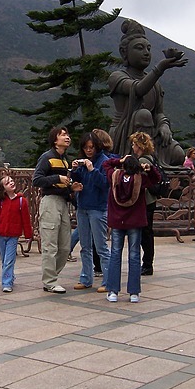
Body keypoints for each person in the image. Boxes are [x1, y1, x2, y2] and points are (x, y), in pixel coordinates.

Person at [108, 19, 187, 167]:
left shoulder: (154, 83)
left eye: (148, 49)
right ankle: (141, 158)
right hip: (126, 134)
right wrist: (160, 68)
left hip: (152, 133)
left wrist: (164, 125)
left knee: (178, 155)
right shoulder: (117, 77)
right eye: (139, 48)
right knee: (142, 114)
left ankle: (153, 161)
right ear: (124, 52)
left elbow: (159, 112)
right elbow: (138, 90)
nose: (146, 53)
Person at [103, 154, 160, 303]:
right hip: (134, 221)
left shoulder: (114, 176)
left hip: (117, 221)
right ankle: (134, 293)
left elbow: (106, 165)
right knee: (134, 255)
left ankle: (113, 291)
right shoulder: (140, 179)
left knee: (115, 254)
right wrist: (150, 169)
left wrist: (118, 160)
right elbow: (156, 179)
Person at [32, 125, 81, 294]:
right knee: (50, 245)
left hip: (62, 202)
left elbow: (63, 185)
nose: (67, 137)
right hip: (50, 202)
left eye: (67, 134)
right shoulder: (47, 157)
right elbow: (36, 180)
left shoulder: (65, 160)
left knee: (65, 246)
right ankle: (50, 281)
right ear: (55, 140)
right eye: (63, 135)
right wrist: (57, 178)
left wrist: (71, 189)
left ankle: (52, 276)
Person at [70, 132, 110, 292]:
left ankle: (108, 281)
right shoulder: (83, 163)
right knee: (85, 246)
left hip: (98, 209)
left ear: (97, 146)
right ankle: (86, 278)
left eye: (91, 147)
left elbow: (104, 184)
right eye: (86, 148)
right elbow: (77, 179)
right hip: (83, 207)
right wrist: (74, 170)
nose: (88, 150)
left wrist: (92, 169)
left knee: (101, 247)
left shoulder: (104, 162)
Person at [0, 175, 33, 293]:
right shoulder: (1, 202)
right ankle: (10, 277)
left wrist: (28, 235)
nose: (11, 183)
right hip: (1, 235)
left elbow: (26, 220)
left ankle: (6, 283)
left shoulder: (21, 201)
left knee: (9, 260)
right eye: (8, 183)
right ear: (3, 188)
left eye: (12, 181)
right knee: (4, 259)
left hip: (13, 236)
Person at [129, 132, 159, 276]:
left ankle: (147, 264)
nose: (132, 147)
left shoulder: (142, 161)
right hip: (151, 200)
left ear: (139, 145)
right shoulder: (151, 158)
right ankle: (148, 263)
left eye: (134, 144)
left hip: (145, 201)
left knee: (145, 234)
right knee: (148, 233)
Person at [91, 129, 117, 277]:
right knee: (100, 237)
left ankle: (101, 267)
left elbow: (103, 182)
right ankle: (102, 266)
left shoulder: (102, 161)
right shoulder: (113, 159)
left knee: (97, 239)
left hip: (100, 202)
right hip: (107, 202)